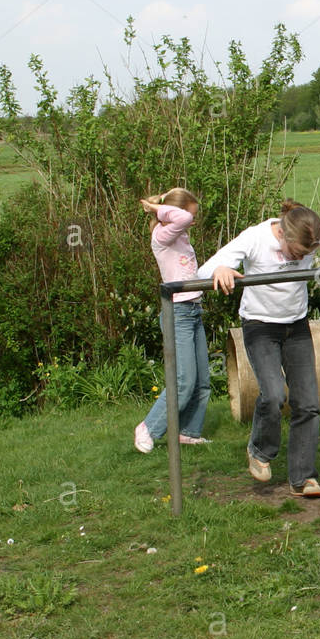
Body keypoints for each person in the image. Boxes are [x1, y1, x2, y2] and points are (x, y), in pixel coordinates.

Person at [198, 200, 320, 496]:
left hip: (297, 326)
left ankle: (303, 478)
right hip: (260, 327)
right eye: (300, 253)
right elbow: (206, 269)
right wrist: (222, 269)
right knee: (275, 394)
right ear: (283, 237)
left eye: (310, 253)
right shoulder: (256, 237)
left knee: (308, 402)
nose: (305, 257)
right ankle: (260, 451)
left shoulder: (310, 231)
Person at [134, 188, 212, 453]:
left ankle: (188, 432)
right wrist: (155, 207)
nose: (193, 220)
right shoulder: (163, 235)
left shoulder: (179, 236)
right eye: (192, 214)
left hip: (193, 310)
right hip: (177, 313)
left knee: (202, 379)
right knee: (184, 381)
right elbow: (181, 218)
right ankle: (148, 428)